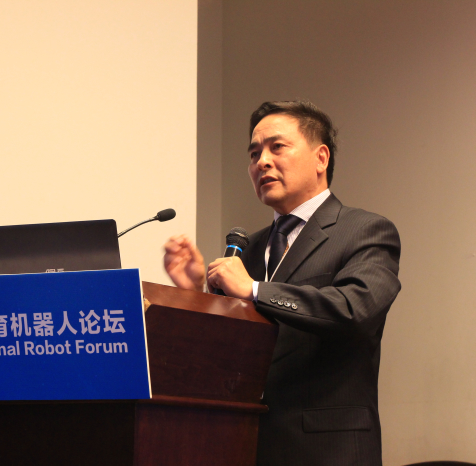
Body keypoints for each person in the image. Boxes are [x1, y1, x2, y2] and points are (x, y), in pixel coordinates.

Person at [163, 101, 401, 466]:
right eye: (254, 153)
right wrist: (194, 292)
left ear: (321, 158)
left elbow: (356, 309)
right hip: (246, 444)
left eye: (277, 147)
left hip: (327, 449)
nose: (262, 162)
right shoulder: (250, 248)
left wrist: (255, 290)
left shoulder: (365, 230)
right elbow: (225, 352)